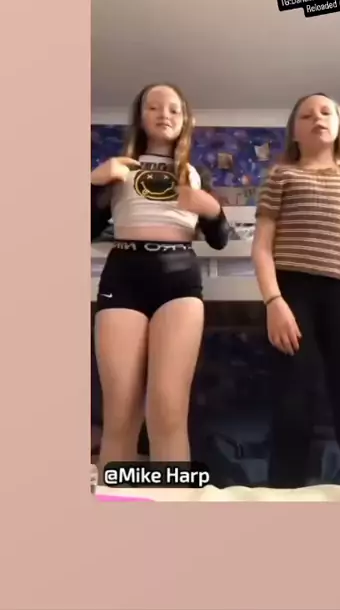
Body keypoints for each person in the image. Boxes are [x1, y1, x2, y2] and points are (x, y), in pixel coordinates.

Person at [91, 83, 230, 478]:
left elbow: (219, 240)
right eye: (153, 107)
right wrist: (94, 180)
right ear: (141, 116)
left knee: (168, 411)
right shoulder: (120, 168)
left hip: (178, 278)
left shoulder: (194, 174)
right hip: (124, 274)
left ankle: (173, 508)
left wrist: (214, 211)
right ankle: (116, 509)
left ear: (184, 120)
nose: (164, 114)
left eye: (173, 108)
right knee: (121, 414)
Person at [252, 92, 340, 490]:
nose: (318, 118)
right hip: (292, 294)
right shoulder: (282, 176)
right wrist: (274, 302)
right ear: (294, 132)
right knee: (293, 402)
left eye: (326, 112)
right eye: (307, 115)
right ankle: (284, 494)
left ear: (339, 123)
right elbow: (261, 247)